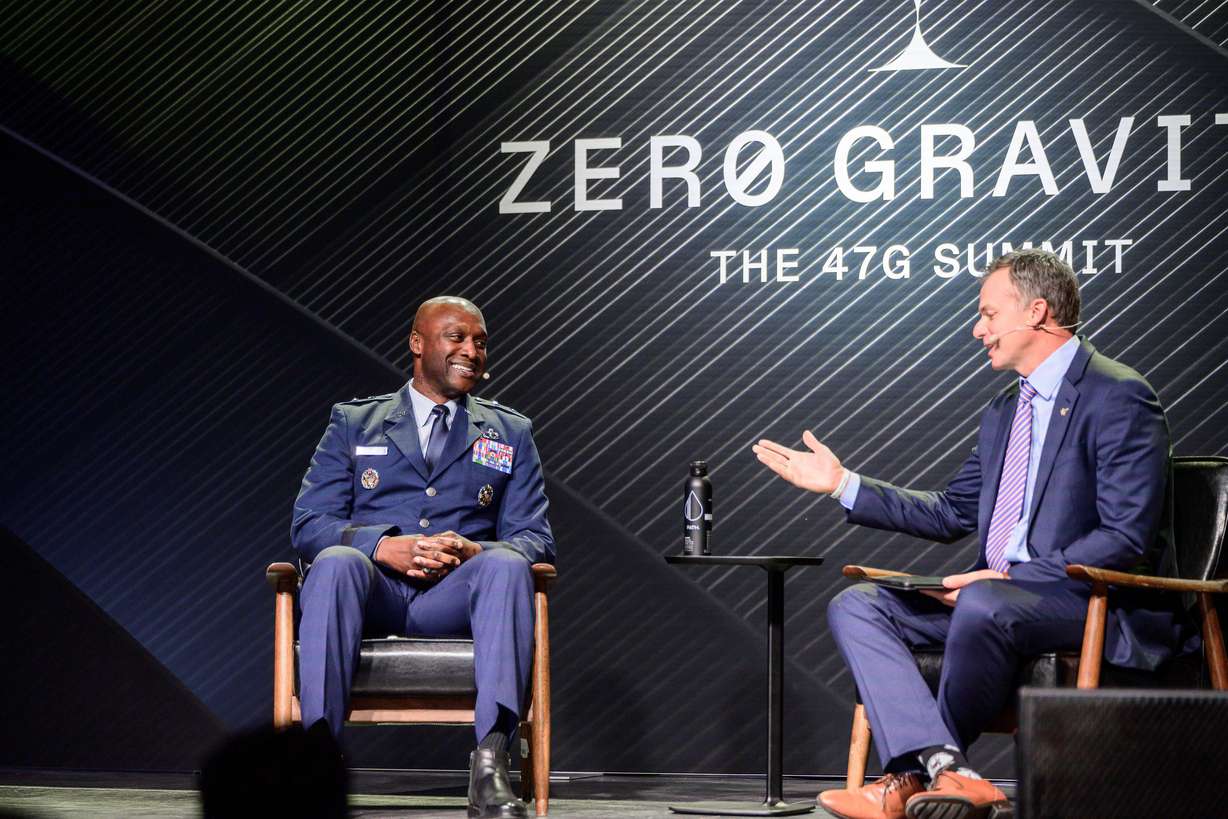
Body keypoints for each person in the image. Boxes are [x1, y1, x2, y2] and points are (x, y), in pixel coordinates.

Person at [754, 250, 1190, 819]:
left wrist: (1008, 577)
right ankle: (948, 768)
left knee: (984, 599)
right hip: (999, 598)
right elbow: (950, 512)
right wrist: (842, 485)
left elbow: (1123, 536)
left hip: (1087, 599)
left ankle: (906, 779)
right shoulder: (1005, 408)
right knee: (858, 604)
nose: (977, 328)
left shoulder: (1118, 395)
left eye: (988, 313)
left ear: (1036, 312)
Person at [291, 296, 553, 819]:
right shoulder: (355, 422)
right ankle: (317, 762)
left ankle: (491, 764)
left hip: (452, 597)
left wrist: (479, 550)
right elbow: (309, 524)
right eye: (457, 337)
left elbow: (533, 537)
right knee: (337, 561)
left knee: (506, 564)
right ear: (417, 343)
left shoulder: (510, 432)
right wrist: (383, 545)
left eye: (480, 342)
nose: (472, 351)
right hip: (374, 594)